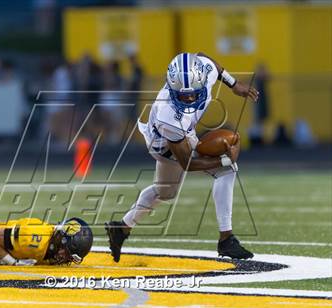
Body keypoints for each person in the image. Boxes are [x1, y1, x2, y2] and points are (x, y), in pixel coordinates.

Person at [105, 52, 259, 262]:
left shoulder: (205, 71)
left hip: (185, 132)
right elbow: (187, 163)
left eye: (192, 94)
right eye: (182, 95)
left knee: (165, 192)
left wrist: (233, 84)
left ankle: (121, 228)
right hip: (163, 144)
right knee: (221, 170)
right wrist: (225, 159)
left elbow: (207, 59)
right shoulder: (168, 115)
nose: (188, 99)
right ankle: (226, 240)